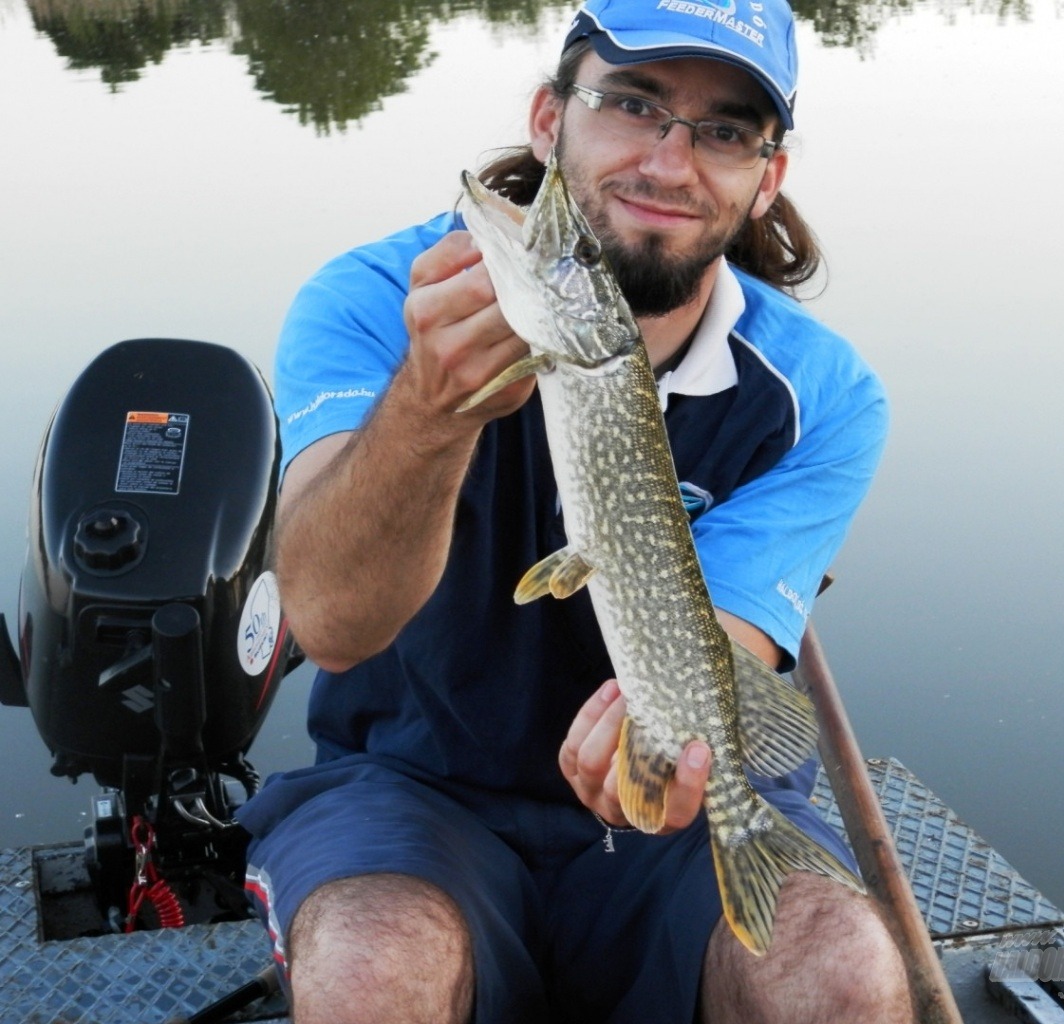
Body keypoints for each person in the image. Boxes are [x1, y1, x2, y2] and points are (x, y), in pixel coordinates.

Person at [238, 0, 913, 1020]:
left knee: (840, 971)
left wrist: (666, 751)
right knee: (372, 964)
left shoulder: (820, 395)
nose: (669, 162)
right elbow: (329, 625)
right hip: (414, 787)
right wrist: (424, 407)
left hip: (671, 817)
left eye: (723, 130)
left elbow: (716, 649)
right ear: (548, 121)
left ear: (764, 177)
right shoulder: (377, 300)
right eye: (632, 103)